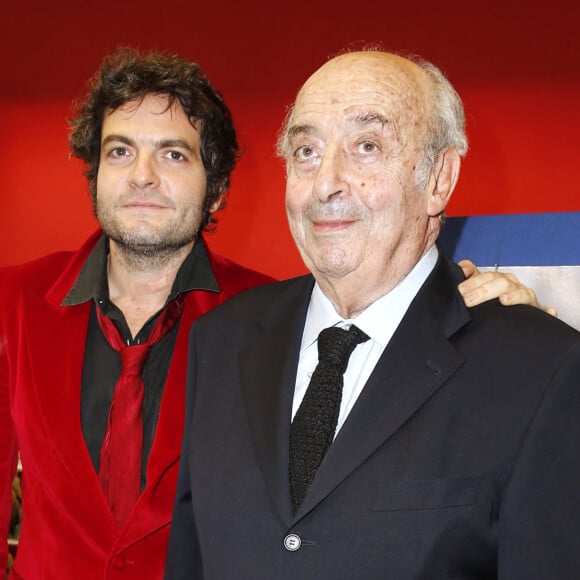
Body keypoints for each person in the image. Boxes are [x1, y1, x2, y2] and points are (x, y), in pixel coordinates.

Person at [0, 47, 543, 579]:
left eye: (172, 154)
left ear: (216, 188)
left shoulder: (268, 325)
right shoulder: (15, 300)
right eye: (119, 152)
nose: (142, 175)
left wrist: (483, 316)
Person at [166, 50, 580, 579]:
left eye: (366, 147)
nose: (326, 183)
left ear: (439, 179)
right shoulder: (220, 342)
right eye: (306, 151)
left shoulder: (539, 369)